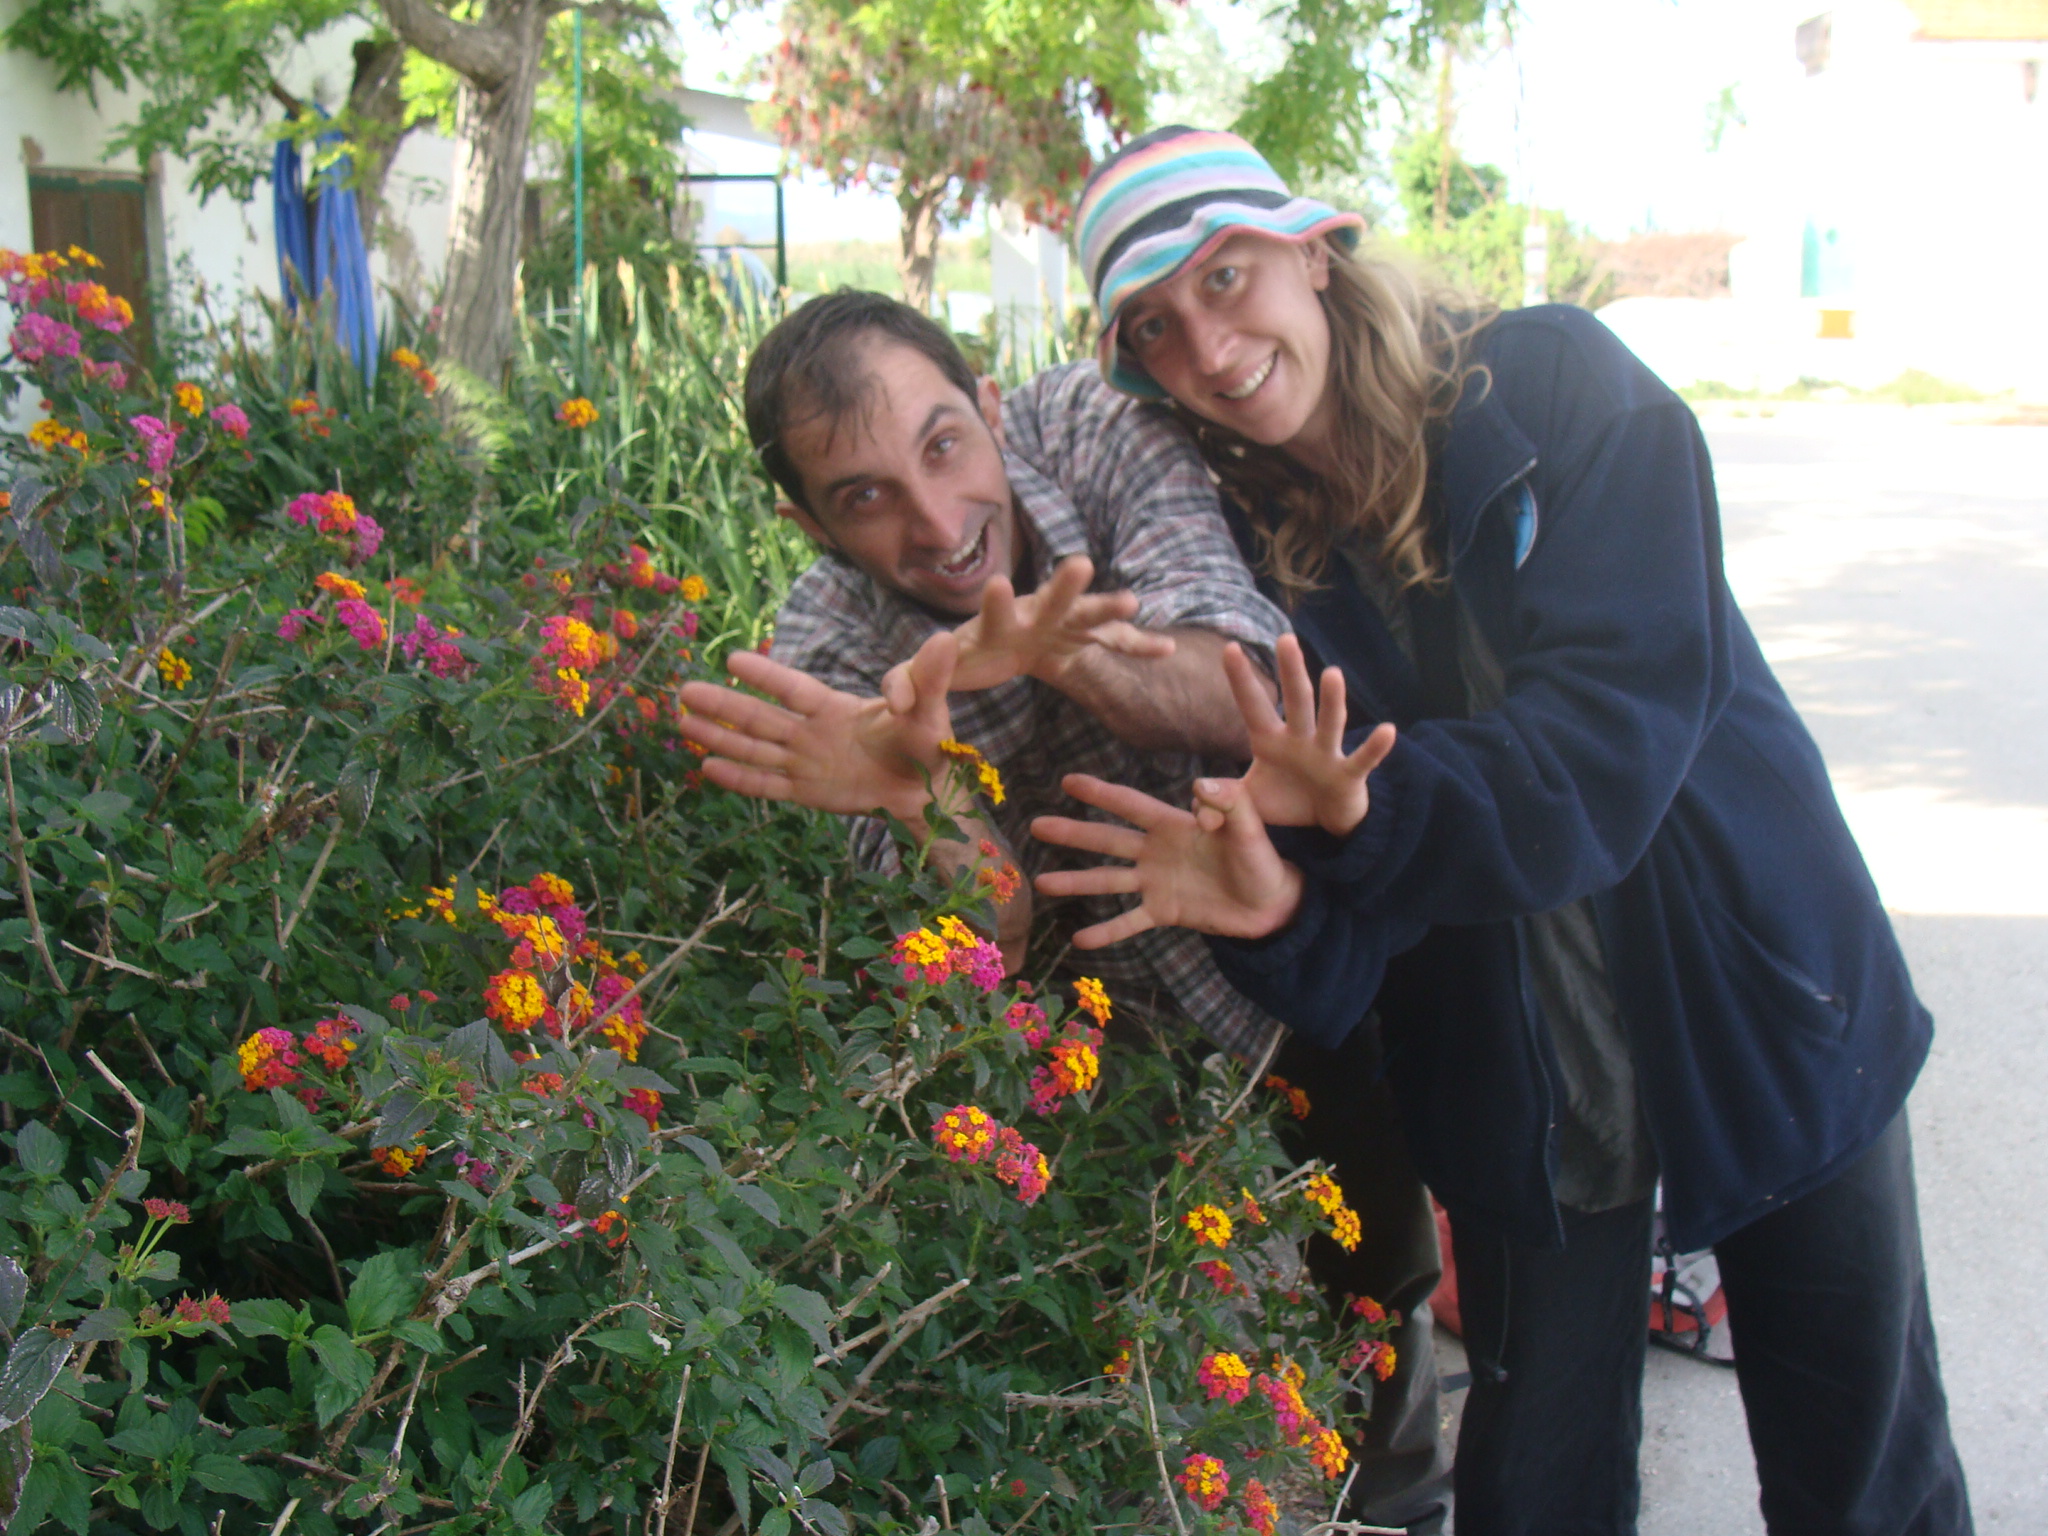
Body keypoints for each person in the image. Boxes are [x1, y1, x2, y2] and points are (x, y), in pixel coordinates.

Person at [1031, 125, 1973, 1536]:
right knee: (1535, 1492)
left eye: (1228, 281)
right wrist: (1274, 914)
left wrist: (1363, 802)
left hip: (1769, 996)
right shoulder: (1251, 553)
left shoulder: (1556, 389)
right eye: (1157, 330)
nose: (1210, 350)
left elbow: (1600, 765)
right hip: (1524, 1086)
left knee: (1863, 1477)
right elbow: (1357, 954)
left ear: (1312, 250)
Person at [675, 288, 1453, 1529]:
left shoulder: (1091, 426)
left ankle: (1401, 1492)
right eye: (863, 496)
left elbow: (1236, 676)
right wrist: (918, 792)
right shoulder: (822, 654)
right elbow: (989, 940)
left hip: (1282, 945)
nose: (935, 523)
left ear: (988, 405)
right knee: (1141, 1367)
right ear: (806, 523)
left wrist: (1045, 648)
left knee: (1372, 1289)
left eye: (941, 444)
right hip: (1093, 1049)